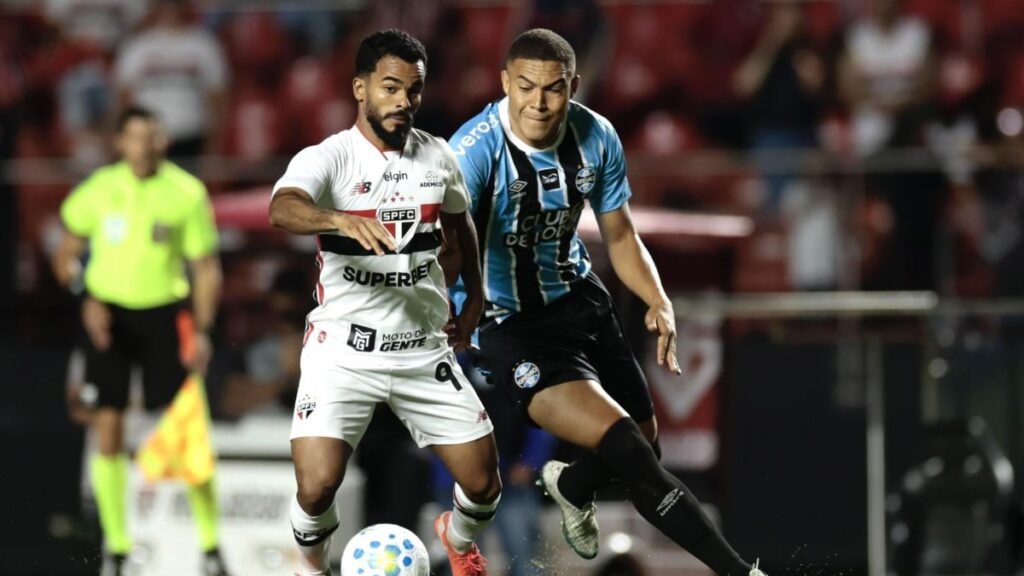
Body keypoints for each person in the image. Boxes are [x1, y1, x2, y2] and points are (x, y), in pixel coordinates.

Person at [447, 29, 766, 576]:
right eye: (525, 86)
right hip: (511, 326)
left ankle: (574, 485)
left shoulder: (596, 136)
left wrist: (657, 297)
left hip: (580, 300)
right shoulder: (471, 153)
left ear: (572, 87)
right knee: (631, 451)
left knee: (644, 443)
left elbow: (619, 234)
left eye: (553, 89)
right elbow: (450, 248)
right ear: (504, 83)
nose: (538, 102)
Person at [267, 29, 501, 576]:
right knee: (316, 485)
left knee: (483, 484)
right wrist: (338, 219)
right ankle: (312, 568)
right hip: (343, 350)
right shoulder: (330, 157)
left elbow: (460, 223)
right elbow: (282, 208)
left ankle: (458, 541)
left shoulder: (437, 155)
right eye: (390, 87)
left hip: (420, 348)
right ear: (360, 88)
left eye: (413, 89)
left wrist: (474, 296)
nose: (403, 100)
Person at [51, 105, 228, 576]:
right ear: (120, 143)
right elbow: (65, 254)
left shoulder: (186, 192)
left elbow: (205, 268)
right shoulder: (98, 189)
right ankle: (117, 548)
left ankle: (211, 547)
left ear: (163, 141)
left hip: (166, 316)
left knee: (188, 431)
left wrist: (203, 330)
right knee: (107, 425)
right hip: (108, 315)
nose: (144, 146)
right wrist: (84, 294)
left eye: (152, 137)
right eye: (134, 137)